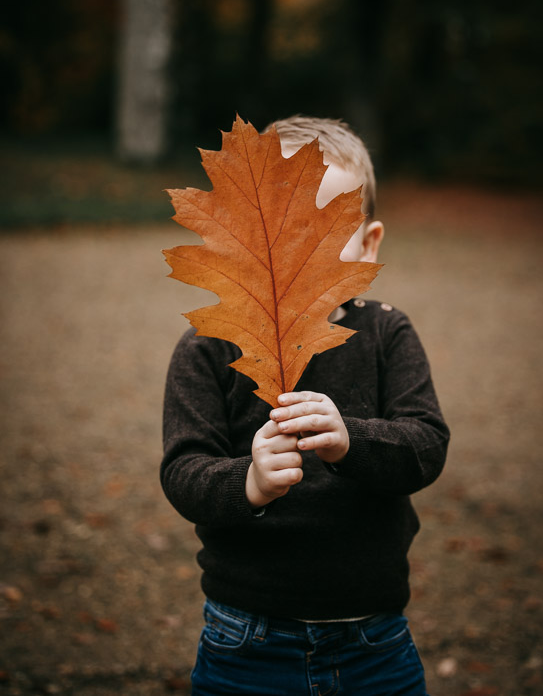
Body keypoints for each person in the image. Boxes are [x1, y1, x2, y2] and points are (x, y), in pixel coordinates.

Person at [161, 115, 450, 695]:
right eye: (282, 229)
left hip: (374, 638)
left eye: (321, 231)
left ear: (368, 244)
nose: (293, 254)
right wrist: (249, 481)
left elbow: (425, 445)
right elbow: (184, 470)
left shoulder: (387, 335)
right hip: (246, 637)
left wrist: (352, 442)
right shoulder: (207, 348)